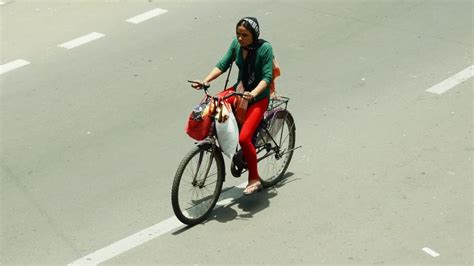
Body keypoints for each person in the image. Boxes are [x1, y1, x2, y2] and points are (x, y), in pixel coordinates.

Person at [191, 17, 274, 195]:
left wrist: (254, 93)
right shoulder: (236, 46)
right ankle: (214, 139)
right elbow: (222, 64)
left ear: (254, 35)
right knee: (212, 105)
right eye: (238, 34)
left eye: (244, 35)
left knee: (244, 139)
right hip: (239, 91)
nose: (240, 38)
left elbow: (267, 78)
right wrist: (205, 81)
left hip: (258, 98)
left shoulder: (265, 49)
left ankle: (254, 178)